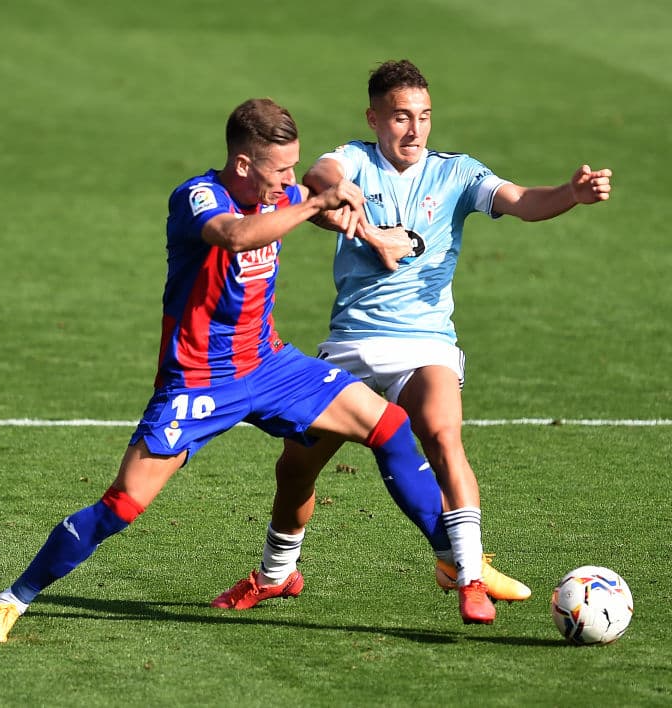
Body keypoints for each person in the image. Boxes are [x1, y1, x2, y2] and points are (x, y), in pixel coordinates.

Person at [0, 97, 459, 642]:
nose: (290, 179)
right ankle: (13, 597)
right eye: (280, 170)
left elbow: (321, 208)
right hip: (199, 381)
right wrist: (313, 201)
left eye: (295, 167)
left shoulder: (280, 193)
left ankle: (455, 561)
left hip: (268, 363)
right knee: (122, 505)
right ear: (245, 165)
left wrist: (370, 234)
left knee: (388, 426)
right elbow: (235, 235)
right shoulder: (198, 197)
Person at [216, 60, 613, 624]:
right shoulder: (352, 159)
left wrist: (570, 194)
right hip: (351, 344)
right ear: (374, 117)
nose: (414, 129)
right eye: (401, 116)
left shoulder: (457, 173)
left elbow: (523, 200)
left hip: (425, 342)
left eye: (424, 117)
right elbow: (319, 180)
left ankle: (468, 576)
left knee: (443, 433)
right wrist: (344, 197)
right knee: (295, 470)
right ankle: (278, 575)